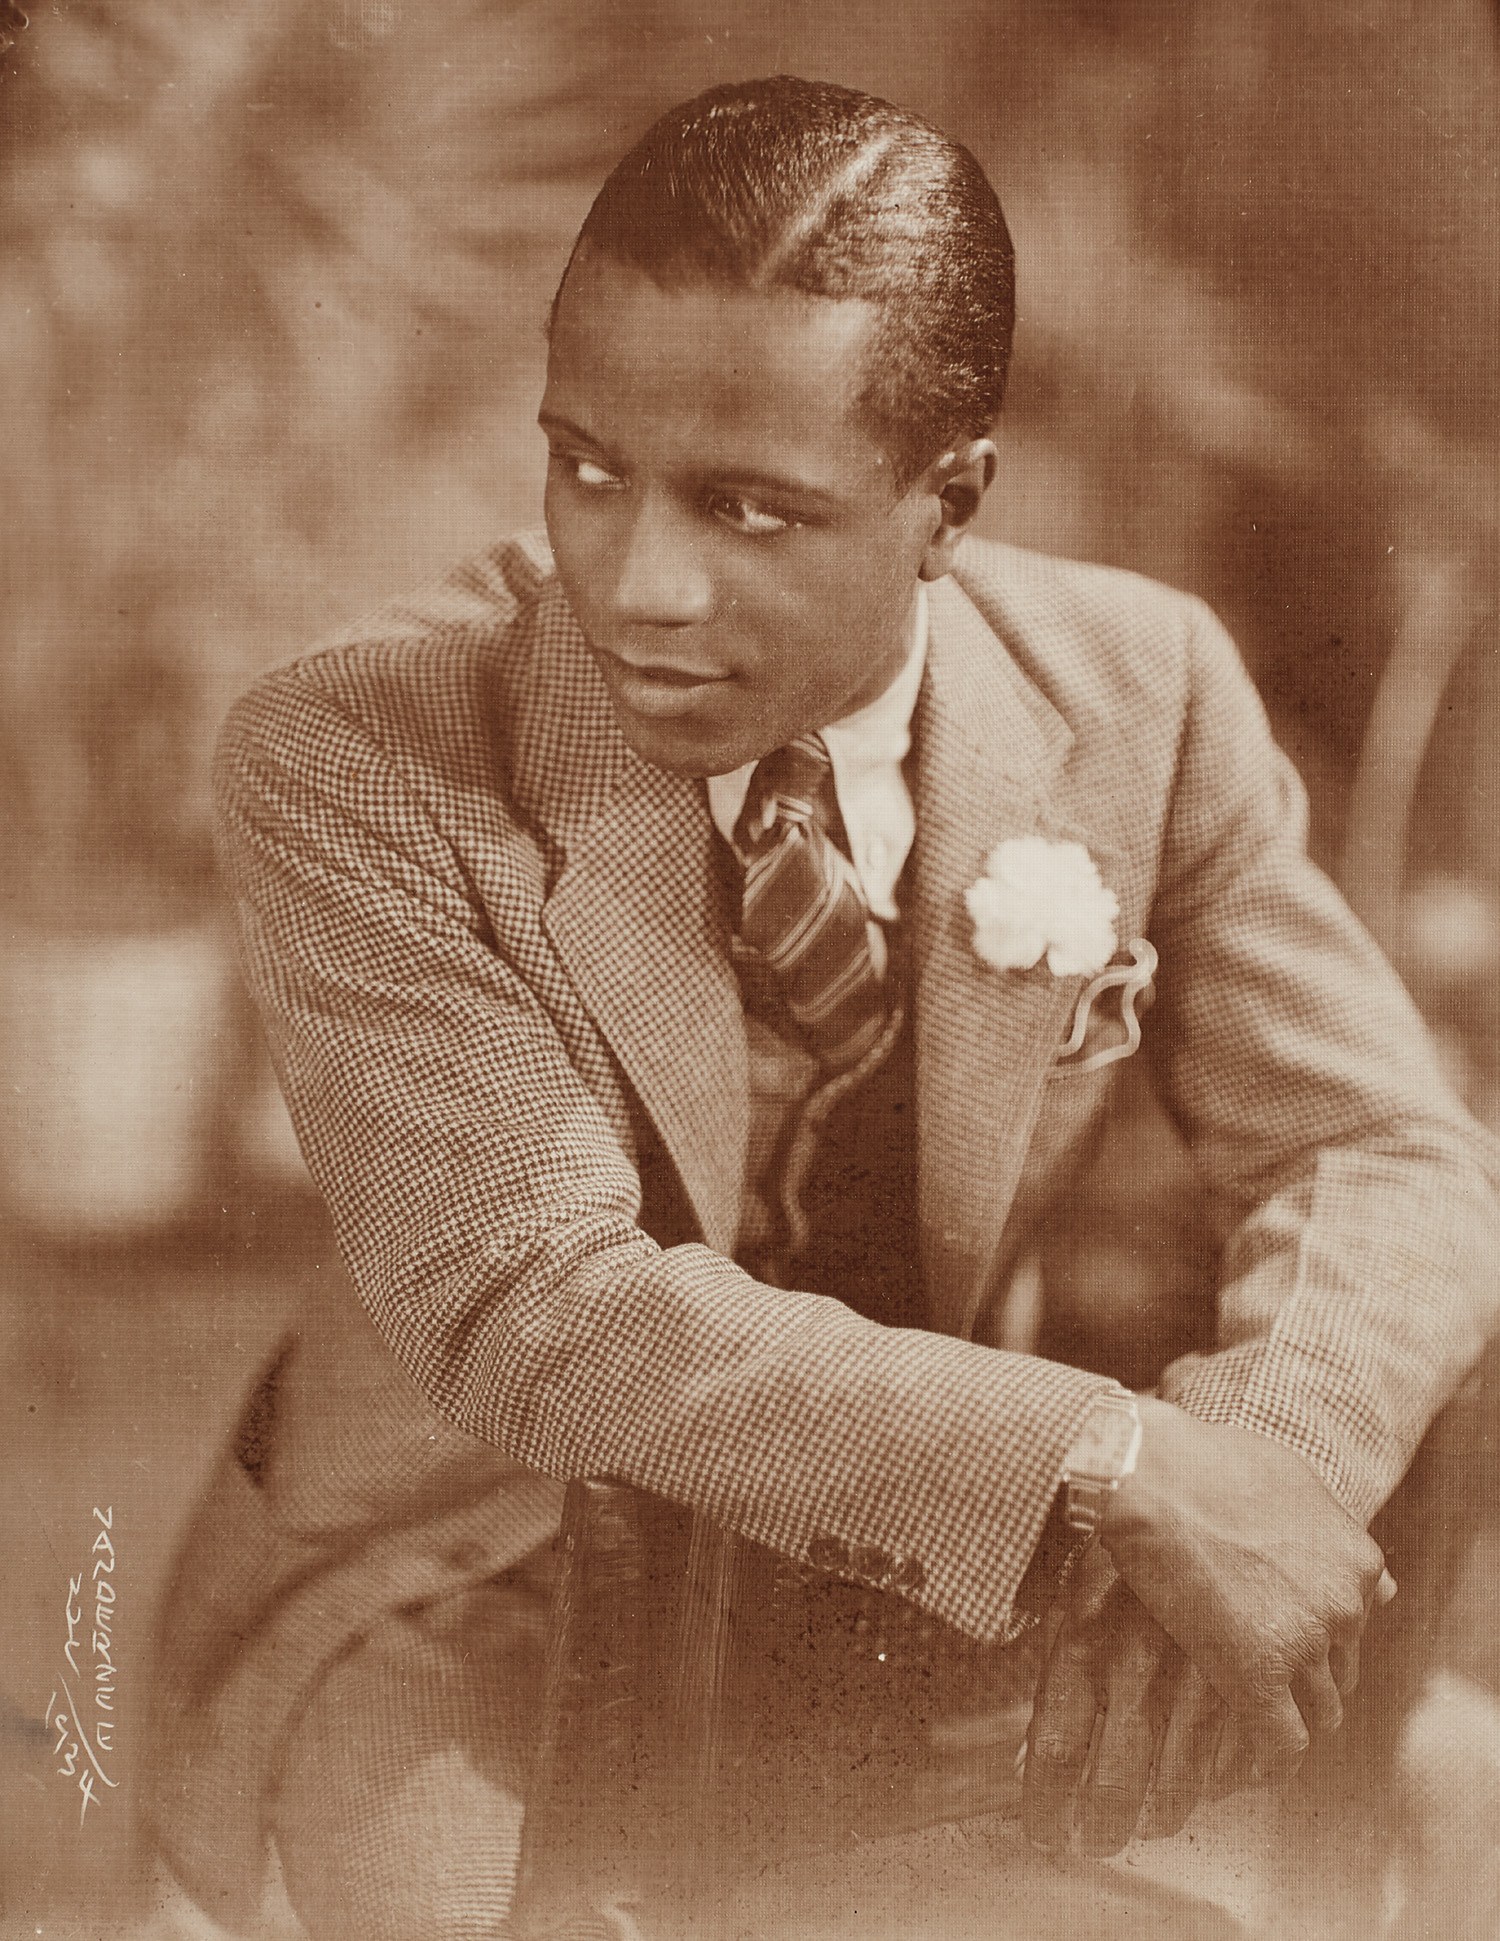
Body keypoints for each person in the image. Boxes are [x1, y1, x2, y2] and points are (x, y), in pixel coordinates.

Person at [144, 75, 1498, 1940]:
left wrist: (1255, 1472)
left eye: (751, 508)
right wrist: (1114, 1467)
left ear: (950, 502)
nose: (637, 583)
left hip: (931, 1587)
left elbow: (1394, 1147)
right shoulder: (367, 747)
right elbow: (538, 1309)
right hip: (484, 1579)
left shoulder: (1141, 686)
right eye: (587, 465)